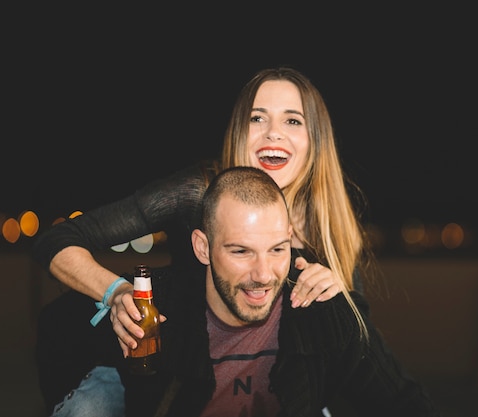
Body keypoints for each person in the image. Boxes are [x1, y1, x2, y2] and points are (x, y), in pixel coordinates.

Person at [34, 66, 383, 415]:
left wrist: (338, 292)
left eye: (293, 121)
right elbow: (58, 239)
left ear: (315, 138)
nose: (274, 133)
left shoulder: (328, 216)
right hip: (162, 372)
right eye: (257, 118)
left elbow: (360, 350)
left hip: (266, 379)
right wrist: (117, 292)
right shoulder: (198, 191)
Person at [117, 165, 440, 416]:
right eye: (241, 252)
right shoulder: (152, 307)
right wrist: (111, 295)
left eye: (277, 249)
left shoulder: (320, 308)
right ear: (203, 248)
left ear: (289, 239)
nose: (263, 275)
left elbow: (405, 404)